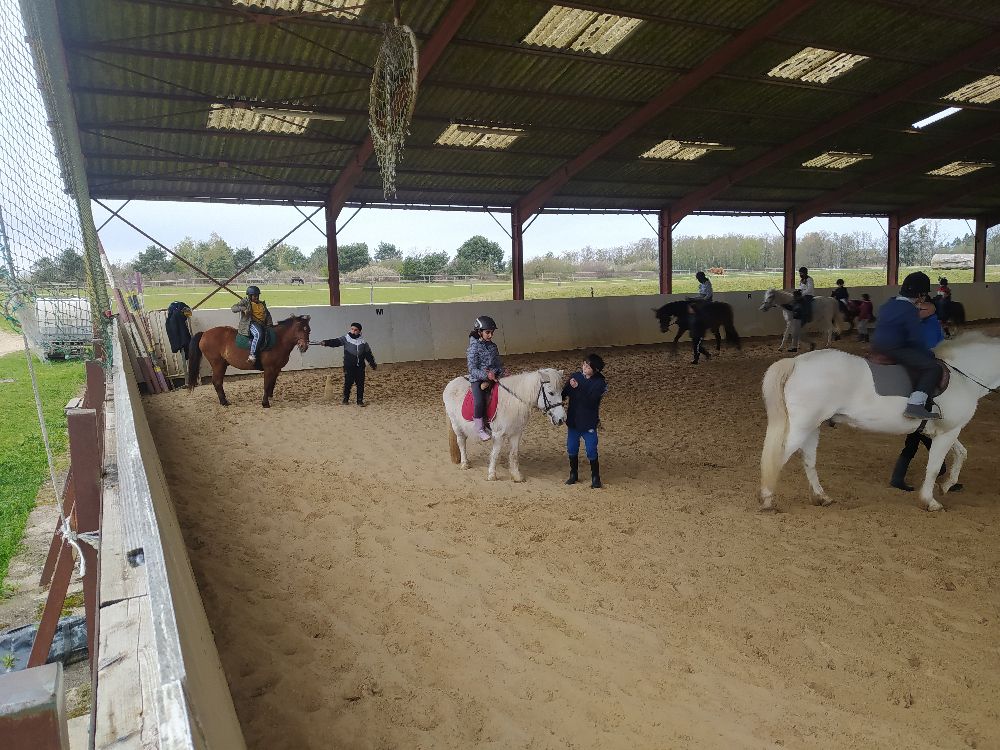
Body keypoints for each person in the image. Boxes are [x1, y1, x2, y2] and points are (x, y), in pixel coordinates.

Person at [889, 296, 956, 491]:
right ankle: (939, 470)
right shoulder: (924, 323)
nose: (921, 309)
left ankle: (900, 475)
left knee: (918, 436)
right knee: (920, 432)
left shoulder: (929, 322)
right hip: (923, 368)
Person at [871, 271, 941, 420]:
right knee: (932, 367)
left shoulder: (888, 303)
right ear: (920, 295)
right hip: (895, 349)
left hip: (876, 346)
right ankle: (915, 405)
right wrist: (928, 354)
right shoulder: (910, 310)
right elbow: (915, 339)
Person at [563, 353, 608, 489]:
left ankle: (595, 476)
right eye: (584, 364)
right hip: (574, 421)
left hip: (589, 421)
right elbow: (564, 393)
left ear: (595, 369)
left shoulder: (600, 383)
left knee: (591, 449)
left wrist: (578, 388)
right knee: (571, 448)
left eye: (588, 366)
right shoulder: (575, 377)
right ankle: (573, 474)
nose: (584, 367)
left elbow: (591, 401)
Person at [467, 315, 504, 441]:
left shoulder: (493, 346)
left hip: (493, 377)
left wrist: (496, 372)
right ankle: (479, 428)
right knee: (479, 401)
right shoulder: (473, 347)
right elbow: (472, 369)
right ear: (479, 332)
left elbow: (498, 365)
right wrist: (486, 375)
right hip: (477, 379)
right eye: (487, 332)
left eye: (492, 333)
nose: (490, 335)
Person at [321, 322, 377, 406]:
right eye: (352, 329)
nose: (353, 331)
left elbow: (368, 354)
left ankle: (359, 400)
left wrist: (372, 364)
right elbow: (336, 342)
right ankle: (345, 399)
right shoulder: (346, 338)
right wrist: (326, 342)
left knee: (360, 383)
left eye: (355, 330)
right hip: (349, 366)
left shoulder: (363, 342)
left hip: (360, 366)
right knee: (348, 382)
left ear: (359, 331)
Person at [231, 285, 272, 363]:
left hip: (263, 324)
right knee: (258, 333)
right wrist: (244, 309)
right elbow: (233, 308)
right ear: (250, 296)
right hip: (251, 323)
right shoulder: (245, 302)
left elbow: (267, 314)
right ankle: (252, 355)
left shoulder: (262, 304)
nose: (257, 297)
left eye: (258, 295)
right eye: (254, 296)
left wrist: (270, 323)